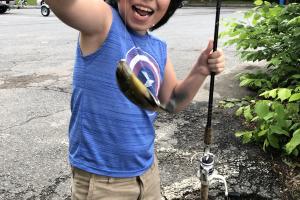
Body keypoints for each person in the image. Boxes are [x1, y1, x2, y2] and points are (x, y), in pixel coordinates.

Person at [44, 0, 225, 199]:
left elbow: (172, 101)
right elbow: (65, 4)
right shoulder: (103, 21)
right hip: (103, 180)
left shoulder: (158, 48)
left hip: (148, 174)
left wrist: (200, 71)